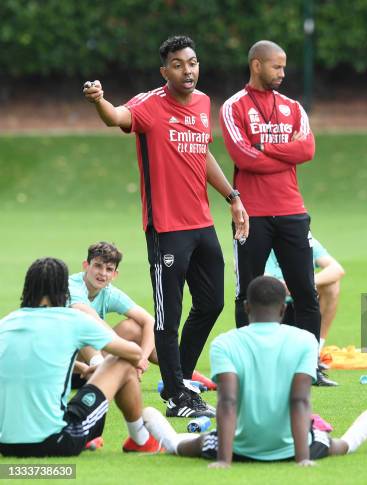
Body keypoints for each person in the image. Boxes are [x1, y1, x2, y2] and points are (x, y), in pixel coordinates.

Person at [83, 35, 249, 418]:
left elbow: (202, 152)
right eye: (178, 64)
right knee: (167, 316)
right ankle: (177, 395)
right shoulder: (149, 105)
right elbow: (117, 117)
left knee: (211, 303)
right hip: (167, 229)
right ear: (165, 71)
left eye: (192, 62)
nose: (187, 69)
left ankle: (179, 380)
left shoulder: (204, 102)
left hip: (202, 225)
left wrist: (233, 197)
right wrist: (98, 101)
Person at [143, 276, 367, 467]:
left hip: (238, 447)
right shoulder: (305, 340)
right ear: (282, 310)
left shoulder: (224, 343)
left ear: (247, 308)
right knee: (341, 445)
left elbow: (227, 401)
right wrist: (303, 458)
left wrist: (224, 461)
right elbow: (299, 401)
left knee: (181, 447)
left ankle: (156, 424)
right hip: (292, 447)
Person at [219, 41, 324, 378]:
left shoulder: (293, 107)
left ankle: (306, 370)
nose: (283, 73)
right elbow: (242, 157)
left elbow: (307, 149)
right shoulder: (233, 107)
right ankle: (246, 368)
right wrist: (278, 153)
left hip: (292, 211)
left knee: (306, 293)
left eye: (284, 66)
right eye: (276, 66)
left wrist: (263, 146)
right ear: (256, 65)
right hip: (252, 215)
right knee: (246, 292)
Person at [0, 257, 162, 456]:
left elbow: (28, 362)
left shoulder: (6, 323)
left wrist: (82, 367)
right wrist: (92, 320)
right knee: (122, 362)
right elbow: (135, 353)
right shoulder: (73, 319)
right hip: (55, 441)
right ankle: (141, 440)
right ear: (63, 289)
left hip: (6, 445)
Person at [68, 241, 157, 387]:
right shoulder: (71, 286)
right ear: (86, 265)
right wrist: (129, 351)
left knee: (133, 328)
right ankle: (101, 372)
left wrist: (142, 359)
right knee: (84, 324)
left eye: (109, 269)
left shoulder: (108, 292)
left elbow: (149, 321)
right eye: (98, 266)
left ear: (114, 274)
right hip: (65, 368)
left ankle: (181, 373)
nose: (103, 273)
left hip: (89, 366)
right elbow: (89, 317)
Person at [265, 235, 345, 386]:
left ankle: (315, 354)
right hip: (273, 309)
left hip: (303, 308)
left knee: (332, 285)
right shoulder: (260, 240)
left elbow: (337, 269)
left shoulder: (302, 237)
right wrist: (278, 285)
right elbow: (244, 273)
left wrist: (303, 284)